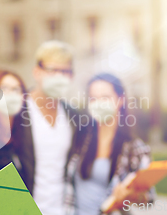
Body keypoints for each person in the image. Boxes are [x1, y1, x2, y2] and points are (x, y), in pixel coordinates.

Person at [11, 40, 87, 215]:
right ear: (37, 72)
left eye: (65, 71)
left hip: (63, 210)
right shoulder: (18, 110)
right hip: (24, 209)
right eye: (53, 70)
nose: (59, 77)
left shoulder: (72, 115)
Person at [65, 73, 155, 215]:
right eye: (93, 98)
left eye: (105, 98)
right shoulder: (80, 138)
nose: (99, 103)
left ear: (120, 100)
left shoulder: (135, 148)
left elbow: (148, 199)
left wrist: (130, 195)